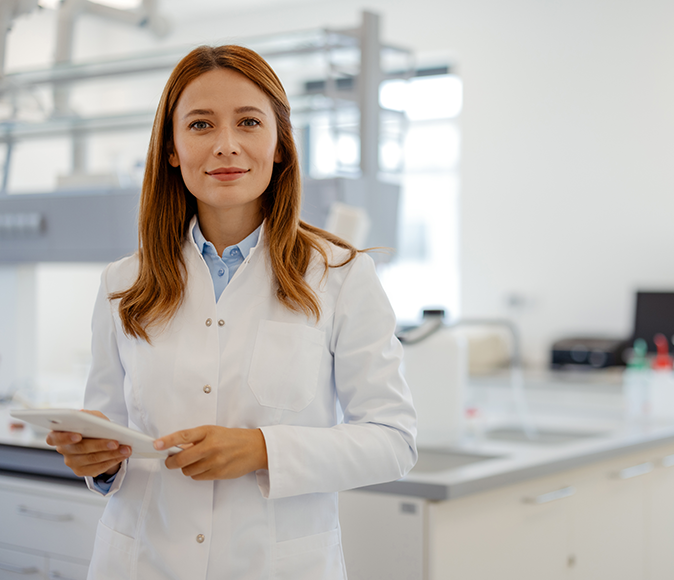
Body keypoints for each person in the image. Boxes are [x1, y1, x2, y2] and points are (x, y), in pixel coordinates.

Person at [45, 44, 417, 580]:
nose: (225, 145)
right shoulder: (123, 283)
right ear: (171, 149)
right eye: (199, 125)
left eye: (248, 122)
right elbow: (114, 434)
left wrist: (262, 449)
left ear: (280, 144)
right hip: (142, 562)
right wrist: (98, 464)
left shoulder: (339, 275)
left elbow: (393, 440)